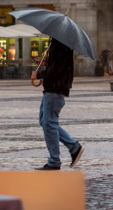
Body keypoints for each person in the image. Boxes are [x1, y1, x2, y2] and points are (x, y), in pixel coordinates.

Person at [34, 38, 83, 170]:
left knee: (49, 123)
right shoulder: (59, 42)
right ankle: (74, 147)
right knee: (45, 121)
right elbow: (57, 65)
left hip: (55, 89)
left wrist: (39, 74)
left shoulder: (60, 43)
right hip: (52, 89)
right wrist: (45, 62)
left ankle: (54, 160)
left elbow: (57, 69)